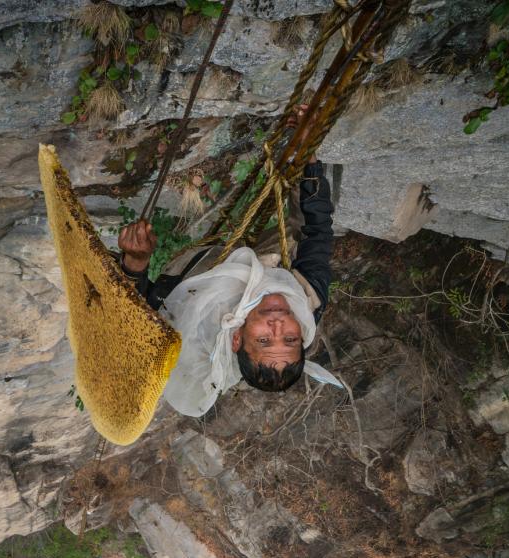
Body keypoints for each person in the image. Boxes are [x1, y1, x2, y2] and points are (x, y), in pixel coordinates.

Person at [117, 107, 341, 415]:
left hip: (197, 272)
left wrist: (136, 261)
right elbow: (318, 233)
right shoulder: (308, 303)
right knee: (311, 208)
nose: (278, 326)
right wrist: (307, 156)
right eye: (289, 337)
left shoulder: (189, 337)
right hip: (269, 263)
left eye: (264, 339)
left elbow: (137, 309)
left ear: (237, 339)